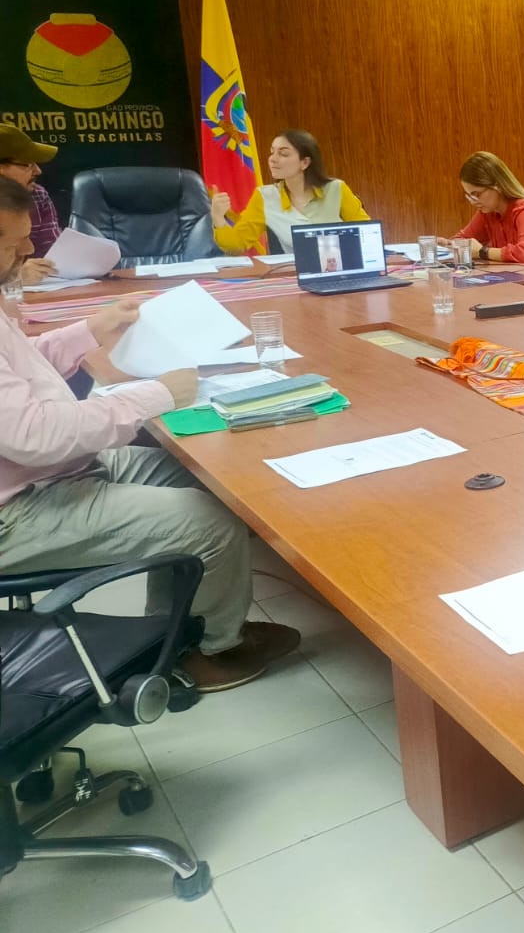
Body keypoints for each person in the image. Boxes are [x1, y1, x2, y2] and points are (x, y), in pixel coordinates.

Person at [0, 176, 299, 690]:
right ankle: (207, 653)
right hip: (19, 509)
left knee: (214, 480)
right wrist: (157, 394)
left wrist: (91, 330)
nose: (29, 250)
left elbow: (21, 369)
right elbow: (34, 434)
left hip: (48, 472)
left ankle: (169, 632)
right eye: (13, 243)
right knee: (207, 520)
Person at [212, 128, 371, 254]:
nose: (272, 159)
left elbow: (369, 234)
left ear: (305, 162)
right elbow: (236, 245)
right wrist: (218, 217)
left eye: (283, 153)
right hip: (295, 275)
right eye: (272, 152)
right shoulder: (265, 197)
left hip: (340, 268)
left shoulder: (336, 189)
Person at [449, 151, 524, 265]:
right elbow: (462, 240)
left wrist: (482, 251)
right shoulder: (487, 212)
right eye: (469, 196)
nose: (473, 201)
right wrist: (447, 244)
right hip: (518, 275)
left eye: (476, 194)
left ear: (497, 186)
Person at [0, 122, 60, 283]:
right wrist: (14, 278)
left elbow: (52, 256)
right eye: (27, 163)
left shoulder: (37, 195)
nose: (38, 170)